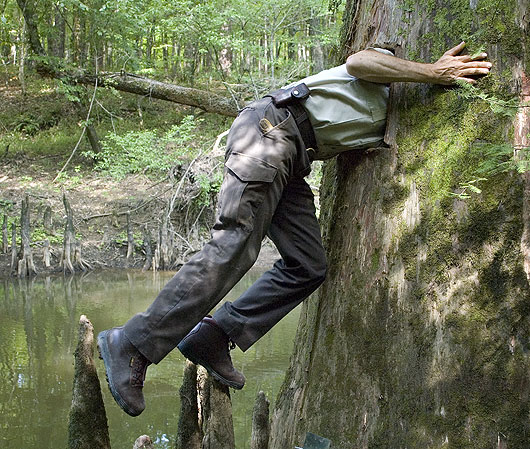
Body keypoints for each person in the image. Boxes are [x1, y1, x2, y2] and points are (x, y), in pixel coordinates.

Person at [97, 42, 492, 416]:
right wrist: (431, 72)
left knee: (308, 266)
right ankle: (132, 343)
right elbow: (359, 62)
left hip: (295, 158)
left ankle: (215, 335)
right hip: (271, 131)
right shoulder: (387, 67)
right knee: (233, 244)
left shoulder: (401, 116)